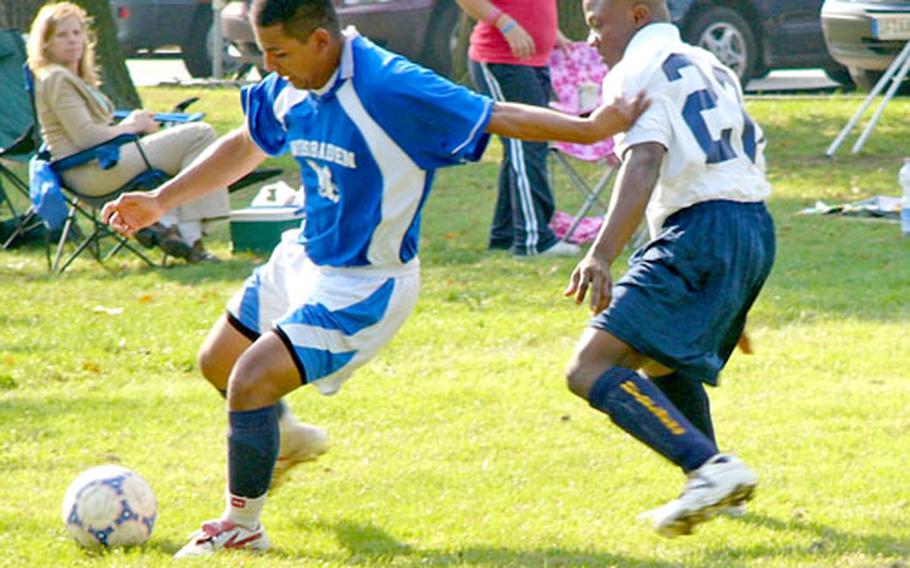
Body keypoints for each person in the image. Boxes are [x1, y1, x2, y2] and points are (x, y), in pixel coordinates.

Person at [101, 0, 646, 557]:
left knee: (250, 379)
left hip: (365, 283)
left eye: (278, 53)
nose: (268, 67)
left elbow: (494, 115)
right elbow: (248, 141)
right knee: (217, 362)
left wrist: (588, 128)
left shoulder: (391, 86)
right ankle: (283, 437)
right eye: (263, 53)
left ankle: (242, 526)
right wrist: (160, 199)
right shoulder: (292, 82)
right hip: (304, 255)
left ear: (320, 41)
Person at [562, 0, 775, 538]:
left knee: (588, 366)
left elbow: (646, 161)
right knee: (660, 361)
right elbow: (736, 165)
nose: (591, 40)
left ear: (635, 14)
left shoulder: (637, 68)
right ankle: (716, 485)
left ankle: (710, 469)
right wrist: (732, 291)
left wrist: (601, 253)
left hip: (702, 229)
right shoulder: (710, 62)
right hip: (749, 227)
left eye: (595, 24)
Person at [27, 1, 229, 262]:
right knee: (200, 135)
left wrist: (132, 122)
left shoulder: (70, 77)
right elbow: (85, 137)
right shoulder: (56, 78)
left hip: (101, 163)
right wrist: (134, 126)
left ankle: (170, 225)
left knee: (193, 147)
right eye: (62, 35)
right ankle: (186, 234)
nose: (73, 41)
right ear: (45, 43)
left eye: (77, 33)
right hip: (90, 170)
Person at [456, 0, 577, 258]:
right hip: (501, 59)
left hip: (533, 61)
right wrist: (506, 23)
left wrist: (551, 32)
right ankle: (534, 241)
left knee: (522, 148)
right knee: (528, 144)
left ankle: (506, 234)